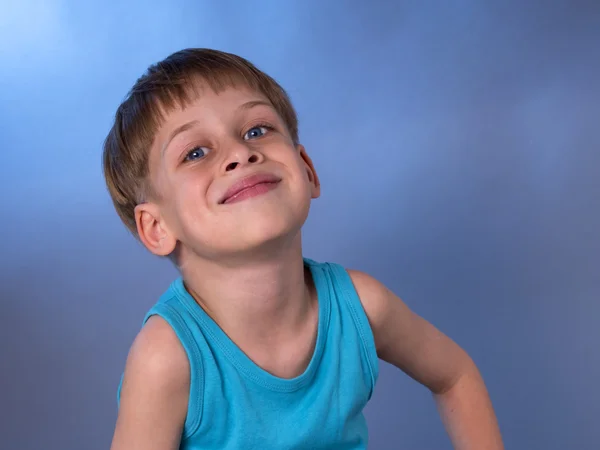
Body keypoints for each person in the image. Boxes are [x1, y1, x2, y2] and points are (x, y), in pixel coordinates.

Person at [103, 48, 504, 450]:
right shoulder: (167, 357)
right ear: (156, 227)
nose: (241, 154)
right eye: (195, 153)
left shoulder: (361, 306)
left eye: (256, 130)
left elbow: (455, 376)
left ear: (306, 170)